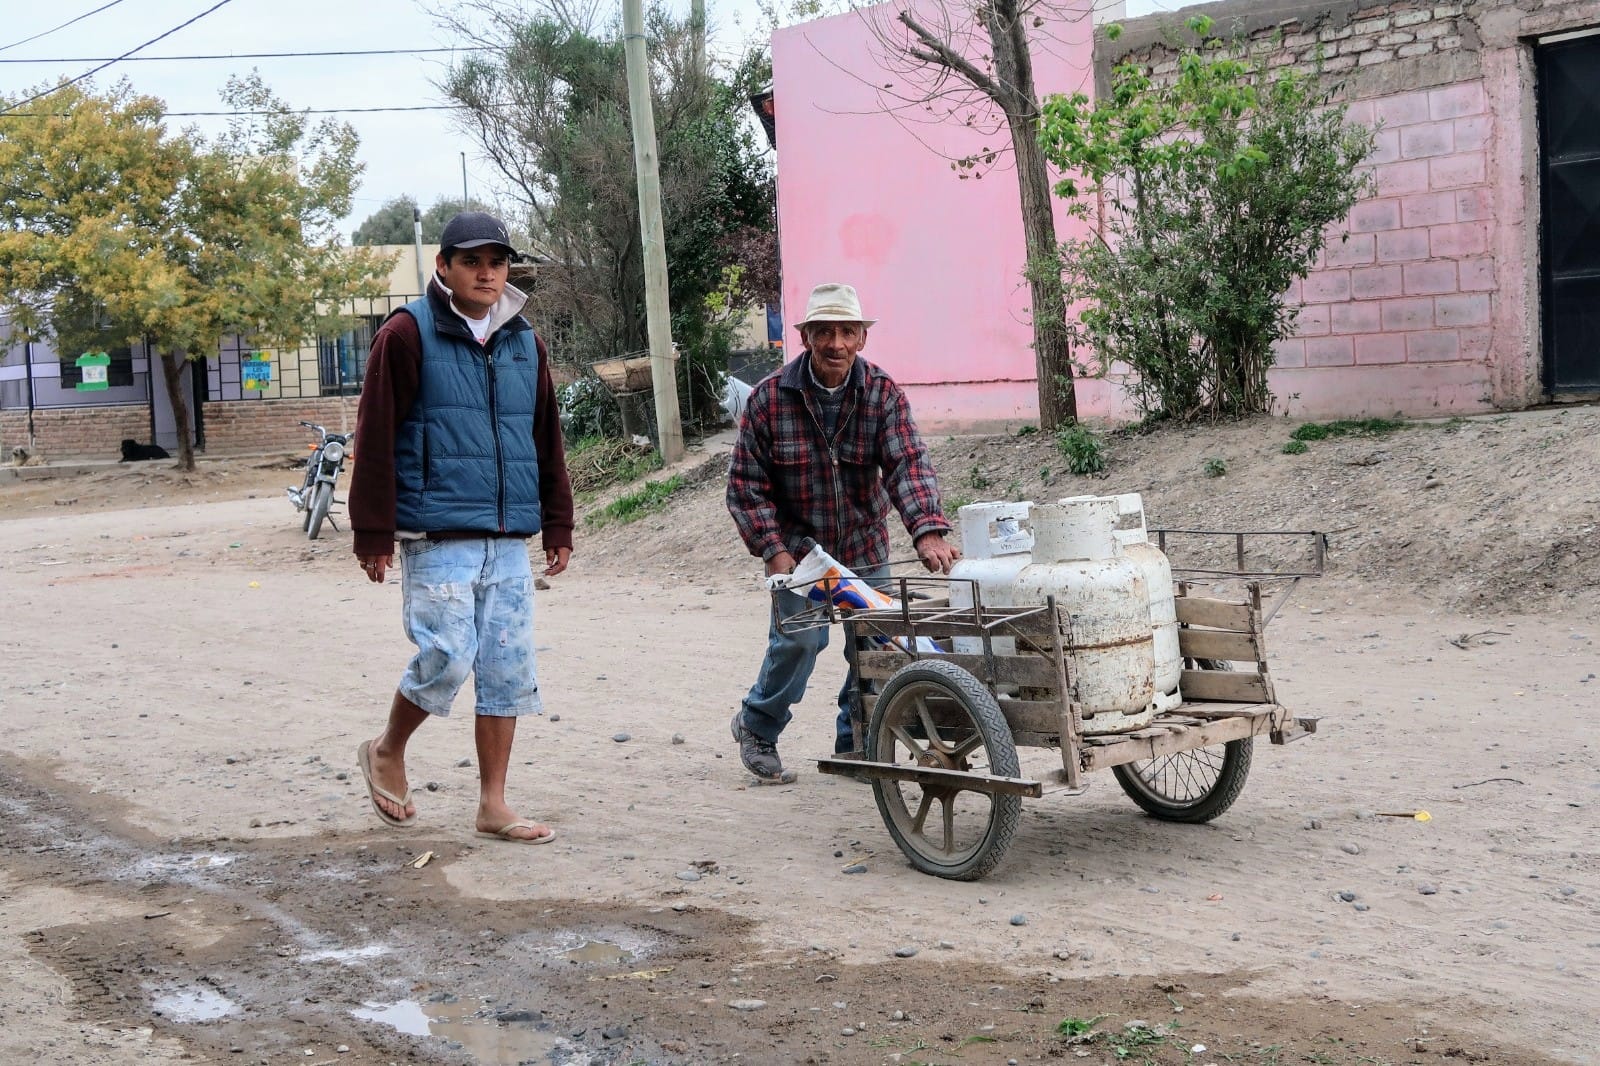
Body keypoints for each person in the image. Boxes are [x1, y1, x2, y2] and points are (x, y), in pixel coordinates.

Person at [349, 210, 573, 843]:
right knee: (446, 656)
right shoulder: (406, 334)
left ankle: (493, 805)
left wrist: (557, 523)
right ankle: (388, 748)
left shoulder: (525, 341)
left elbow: (544, 439)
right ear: (443, 266)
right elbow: (375, 433)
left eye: (496, 262)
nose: (485, 273)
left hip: (507, 537)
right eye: (471, 261)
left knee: (506, 666)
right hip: (437, 532)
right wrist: (372, 531)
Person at [726, 282, 959, 783]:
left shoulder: (881, 392)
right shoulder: (770, 398)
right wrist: (772, 548)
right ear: (806, 336)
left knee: (874, 648)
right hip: (800, 550)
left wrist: (927, 531)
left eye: (846, 332)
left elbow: (908, 465)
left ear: (862, 339)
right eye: (824, 332)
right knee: (800, 642)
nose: (836, 343)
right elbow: (746, 484)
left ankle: (856, 741)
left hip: (862, 542)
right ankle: (757, 726)